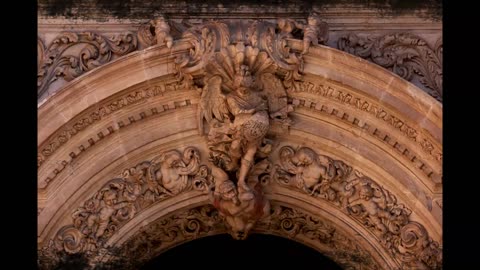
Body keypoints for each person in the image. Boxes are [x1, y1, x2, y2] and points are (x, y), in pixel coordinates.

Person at [225, 65, 269, 195]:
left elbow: (263, 107)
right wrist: (254, 111)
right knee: (234, 147)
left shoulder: (255, 96)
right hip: (240, 127)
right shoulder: (231, 97)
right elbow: (237, 111)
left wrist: (259, 115)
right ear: (236, 85)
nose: (243, 90)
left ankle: (241, 181)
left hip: (255, 128)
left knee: (251, 151)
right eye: (240, 87)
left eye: (245, 87)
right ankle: (233, 162)